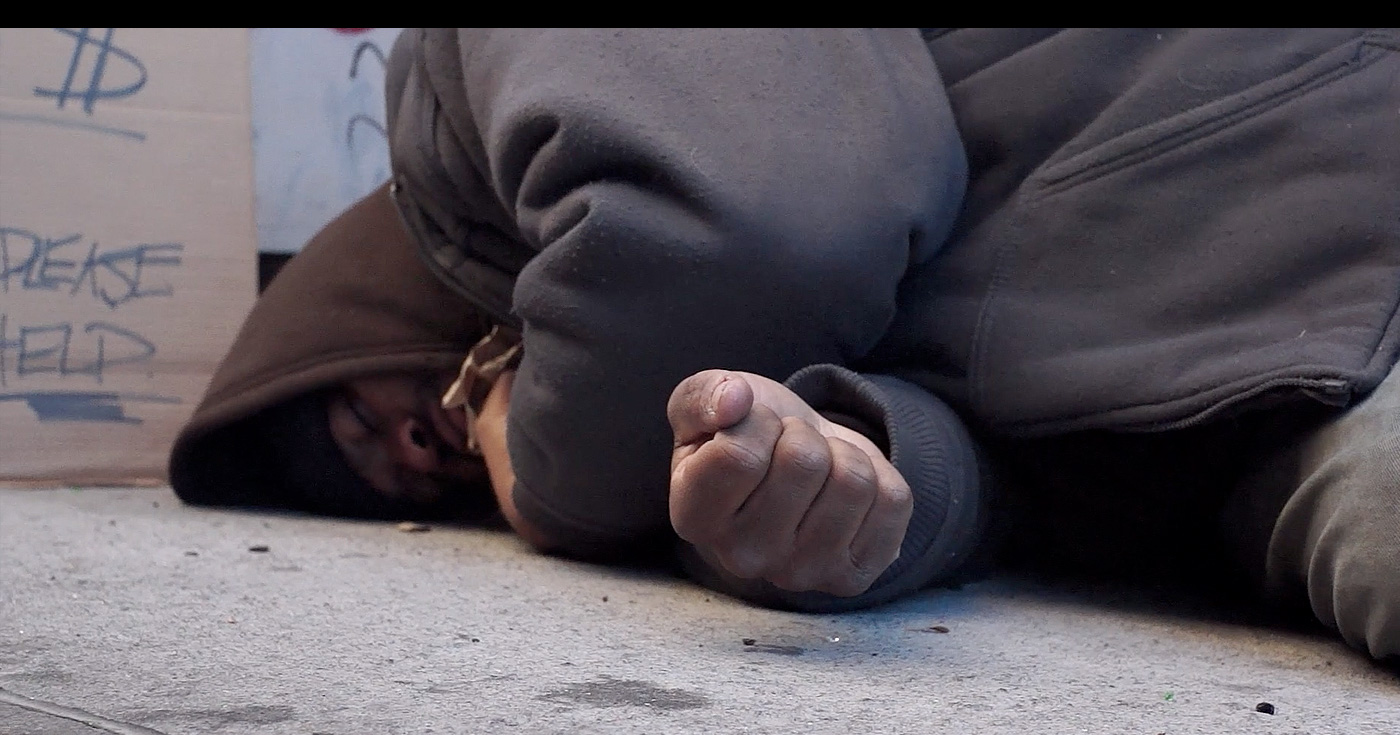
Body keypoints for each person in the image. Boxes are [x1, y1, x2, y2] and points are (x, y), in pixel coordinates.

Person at [170, 28, 1400, 661]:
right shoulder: (704, 381)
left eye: (360, 415)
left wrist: (539, 464)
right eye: (400, 482)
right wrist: (847, 479)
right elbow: (1022, 453)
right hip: (1262, 397)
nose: (411, 448)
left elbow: (750, 229)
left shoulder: (463, 103)